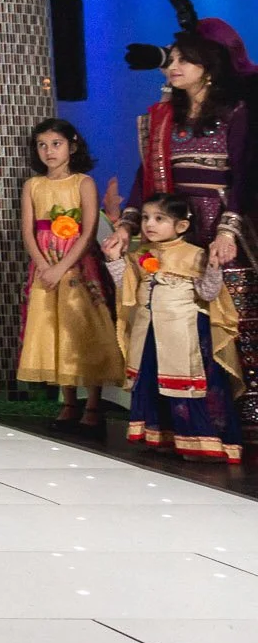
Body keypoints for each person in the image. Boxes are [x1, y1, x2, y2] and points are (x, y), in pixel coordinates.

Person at [104, 193, 243, 463]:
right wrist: (113, 260)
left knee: (187, 388)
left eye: (159, 219)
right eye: (145, 218)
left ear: (181, 226)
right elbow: (126, 288)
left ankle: (202, 443)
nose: (149, 224)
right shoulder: (141, 254)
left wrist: (214, 268)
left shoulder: (195, 254)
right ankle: (164, 438)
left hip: (185, 335)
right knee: (154, 385)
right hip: (150, 335)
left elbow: (208, 293)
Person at [107, 29, 251, 271]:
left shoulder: (234, 113)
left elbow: (244, 176)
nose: (172, 66)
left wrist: (227, 232)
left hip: (221, 218)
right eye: (171, 60)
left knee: (222, 289)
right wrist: (125, 226)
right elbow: (145, 174)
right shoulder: (166, 118)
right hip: (174, 221)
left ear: (207, 67)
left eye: (183, 60)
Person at [15, 118, 124, 430]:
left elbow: (88, 232)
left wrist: (62, 267)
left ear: (72, 146)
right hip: (45, 267)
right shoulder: (33, 185)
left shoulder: (83, 183)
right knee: (53, 328)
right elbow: (28, 232)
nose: (49, 151)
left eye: (56, 144)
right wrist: (43, 266)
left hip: (77, 265)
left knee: (83, 326)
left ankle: (93, 402)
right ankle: (68, 400)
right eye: (42, 145)